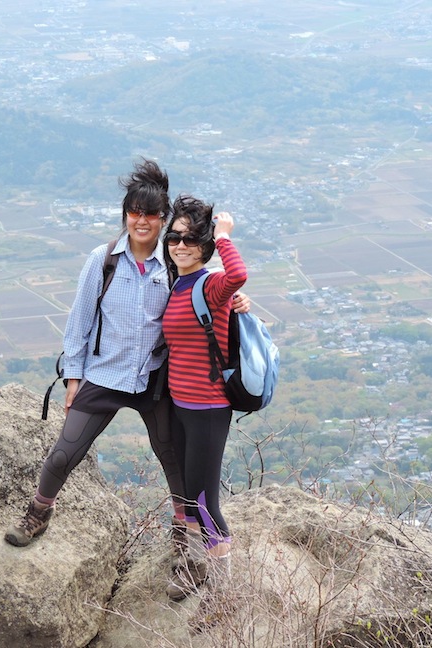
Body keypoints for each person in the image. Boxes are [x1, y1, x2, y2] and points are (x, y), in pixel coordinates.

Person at [4, 160, 249, 553]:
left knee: (174, 465)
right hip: (104, 375)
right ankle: (38, 513)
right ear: (125, 214)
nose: (142, 221)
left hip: (155, 380)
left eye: (152, 214)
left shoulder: (174, 264)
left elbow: (208, 291)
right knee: (64, 453)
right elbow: (79, 320)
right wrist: (73, 377)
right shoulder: (103, 260)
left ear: (163, 219)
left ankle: (183, 545)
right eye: (135, 212)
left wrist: (237, 301)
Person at [160, 195, 247, 630]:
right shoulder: (175, 284)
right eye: (173, 237)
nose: (180, 244)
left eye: (190, 238)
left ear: (205, 244)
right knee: (188, 498)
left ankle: (224, 594)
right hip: (181, 406)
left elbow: (239, 276)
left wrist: (225, 235)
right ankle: (195, 571)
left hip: (210, 407)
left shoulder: (210, 283)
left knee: (205, 502)